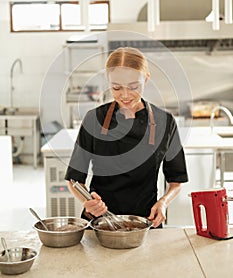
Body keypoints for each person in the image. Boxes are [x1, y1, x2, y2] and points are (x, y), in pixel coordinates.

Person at [65, 47, 188, 228]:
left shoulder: (165, 122)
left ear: (146, 78)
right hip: (99, 222)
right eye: (116, 87)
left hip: (146, 223)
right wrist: (87, 201)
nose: (124, 95)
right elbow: (74, 180)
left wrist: (163, 203)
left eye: (133, 87)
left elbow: (176, 181)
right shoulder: (94, 119)